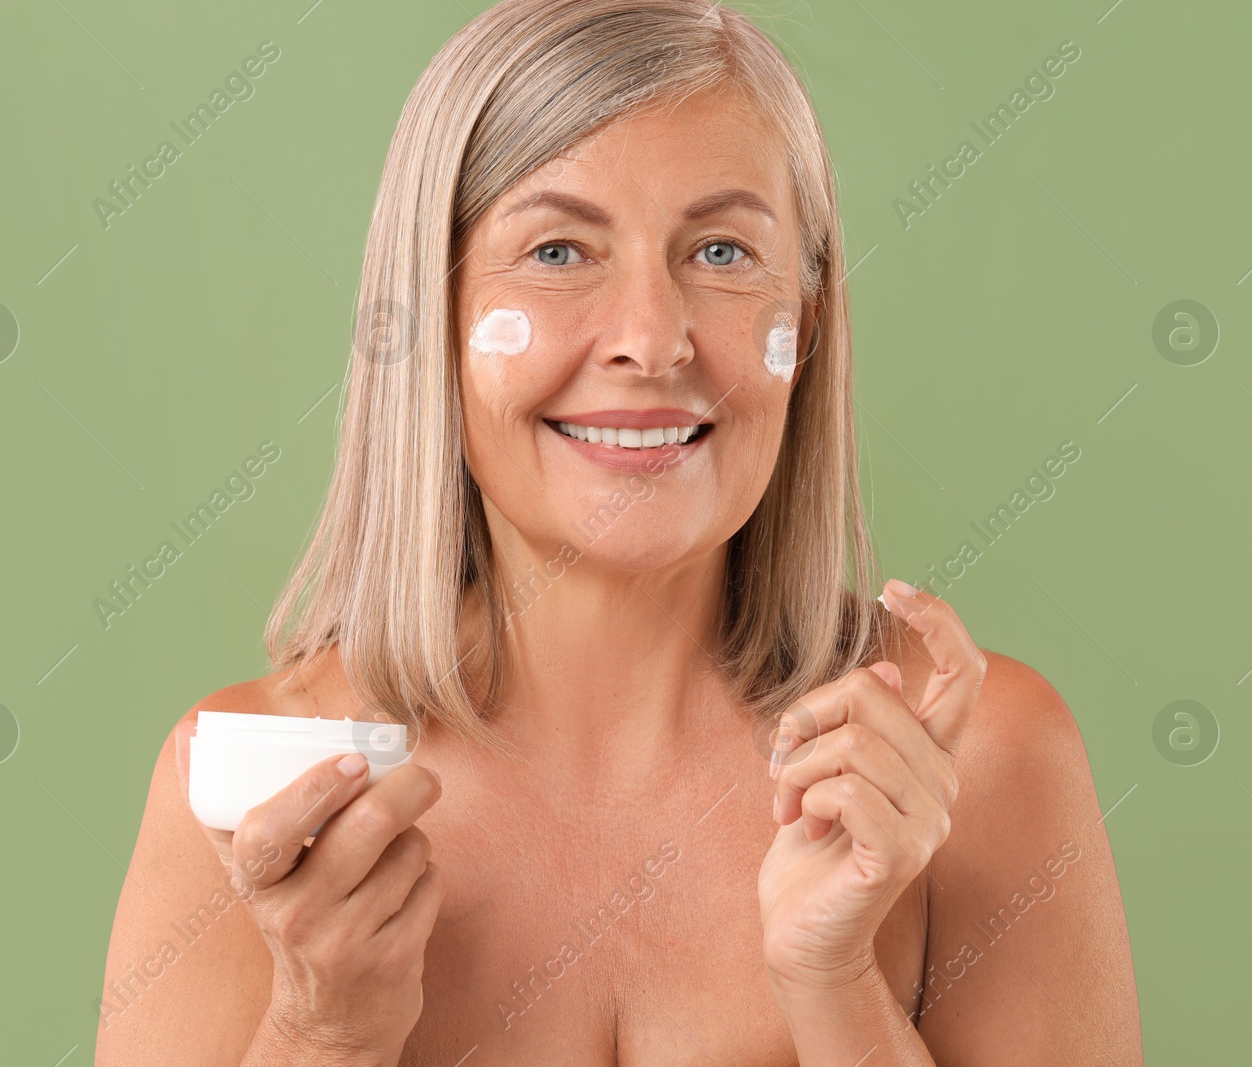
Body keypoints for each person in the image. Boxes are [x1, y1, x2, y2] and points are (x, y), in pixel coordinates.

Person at [97, 1, 1143, 1063]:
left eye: (724, 251)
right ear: (431, 316)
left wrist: (834, 985)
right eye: (556, 250)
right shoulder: (253, 793)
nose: (650, 339)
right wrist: (320, 1031)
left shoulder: (976, 757)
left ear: (810, 323)